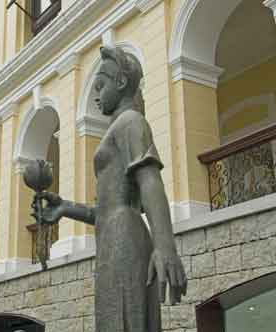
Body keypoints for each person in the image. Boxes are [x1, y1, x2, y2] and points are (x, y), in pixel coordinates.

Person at [34, 47, 187, 331]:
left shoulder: (131, 122)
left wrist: (165, 246)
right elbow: (107, 208)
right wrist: (66, 207)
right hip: (112, 235)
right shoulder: (119, 127)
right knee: (114, 318)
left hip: (125, 236)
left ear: (120, 83)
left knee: (124, 319)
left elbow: (150, 180)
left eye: (100, 85)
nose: (96, 94)